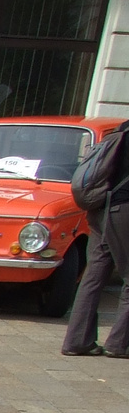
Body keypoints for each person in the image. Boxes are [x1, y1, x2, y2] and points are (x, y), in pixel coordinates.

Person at [62, 120, 129, 357]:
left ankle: (77, 341)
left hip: (99, 210)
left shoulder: (120, 132)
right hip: (123, 212)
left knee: (93, 276)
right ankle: (120, 344)